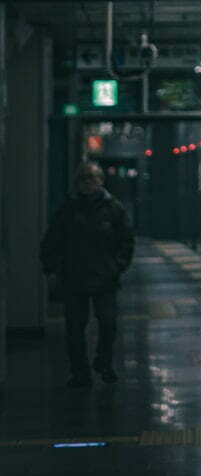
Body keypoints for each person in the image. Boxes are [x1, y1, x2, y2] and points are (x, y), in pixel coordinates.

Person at [40, 161, 134, 388]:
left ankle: (103, 362)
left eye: (91, 178)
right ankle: (80, 373)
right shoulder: (68, 210)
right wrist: (53, 268)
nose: (87, 183)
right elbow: (52, 241)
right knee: (74, 329)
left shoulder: (113, 209)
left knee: (108, 323)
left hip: (105, 278)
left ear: (100, 181)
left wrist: (117, 266)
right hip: (75, 278)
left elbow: (126, 240)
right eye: (83, 179)